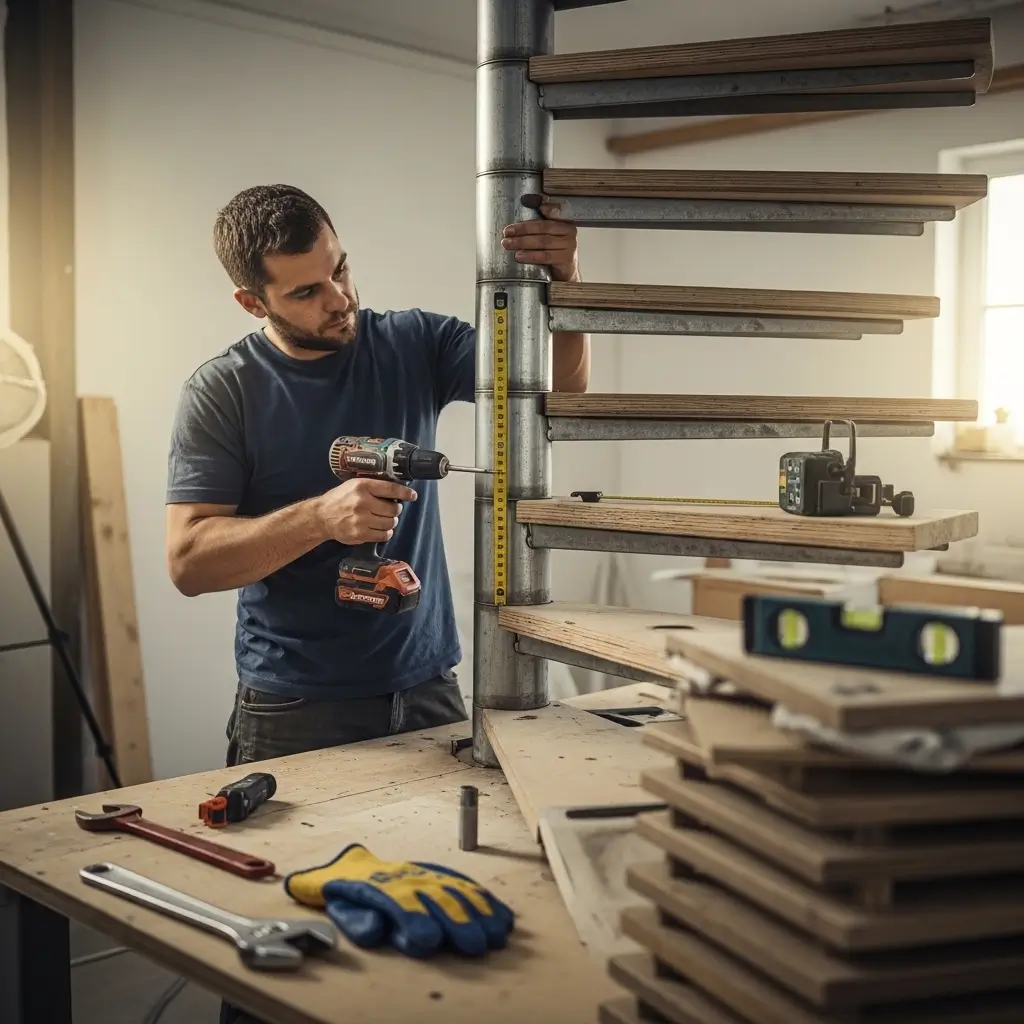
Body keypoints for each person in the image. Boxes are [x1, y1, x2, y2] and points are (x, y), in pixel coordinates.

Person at [164, 184, 587, 1024]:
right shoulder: (224, 390)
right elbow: (188, 561)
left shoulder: (413, 343)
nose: (340, 298)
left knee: (436, 917)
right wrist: (322, 518)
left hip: (429, 690)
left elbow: (558, 392)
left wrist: (563, 287)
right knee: (284, 951)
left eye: (341, 269)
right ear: (253, 300)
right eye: (307, 290)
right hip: (292, 708)